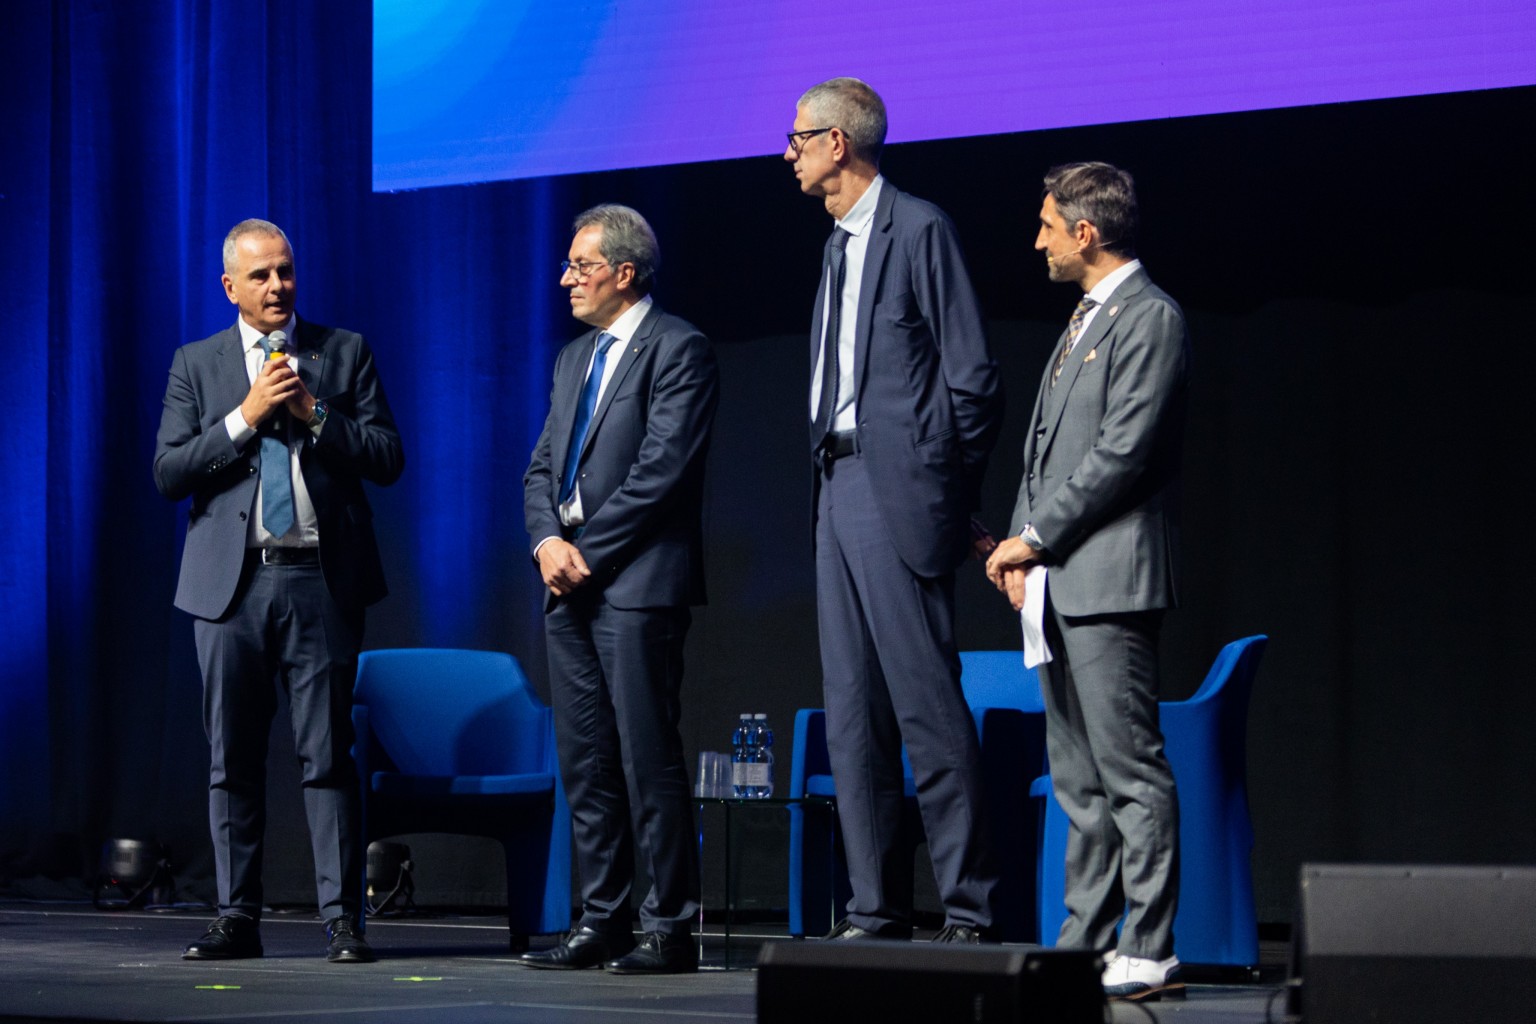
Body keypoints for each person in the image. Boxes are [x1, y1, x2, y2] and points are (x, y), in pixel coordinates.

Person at [784, 77, 1003, 943]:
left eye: (799, 138)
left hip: (898, 491)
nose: (788, 153)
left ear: (838, 143)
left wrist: (946, 494)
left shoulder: (918, 229)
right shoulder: (835, 246)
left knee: (925, 708)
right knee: (851, 712)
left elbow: (972, 380)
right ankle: (875, 907)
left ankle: (969, 908)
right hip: (835, 485)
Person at [154, 218, 404, 963]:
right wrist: (247, 416)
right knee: (231, 760)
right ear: (229, 286)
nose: (277, 287)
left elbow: (387, 457)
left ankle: (343, 922)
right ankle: (237, 917)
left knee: (328, 756)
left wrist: (311, 412)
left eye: (286, 271)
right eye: (260, 275)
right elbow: (170, 472)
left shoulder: (342, 351)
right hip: (229, 590)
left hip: (319, 580)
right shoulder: (196, 364)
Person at [985, 162, 1191, 1001]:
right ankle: (1083, 943)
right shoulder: (1084, 318)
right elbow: (1042, 452)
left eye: (1046, 225)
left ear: (1085, 231)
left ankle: (1150, 947)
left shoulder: (1150, 317)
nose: (1036, 241)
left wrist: (1032, 539)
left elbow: (1122, 453)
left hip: (1109, 580)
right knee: (1077, 780)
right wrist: (1017, 550)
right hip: (1057, 581)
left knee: (1129, 770)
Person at [520, 204, 718, 975]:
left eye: (582, 266)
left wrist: (585, 554)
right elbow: (542, 468)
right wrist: (547, 543)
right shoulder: (573, 358)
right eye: (568, 265)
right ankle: (600, 919)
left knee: (646, 757)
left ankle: (668, 927)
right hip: (567, 584)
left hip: (635, 582)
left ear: (624, 273)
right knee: (586, 762)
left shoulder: (679, 348)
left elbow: (662, 473)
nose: (566, 279)